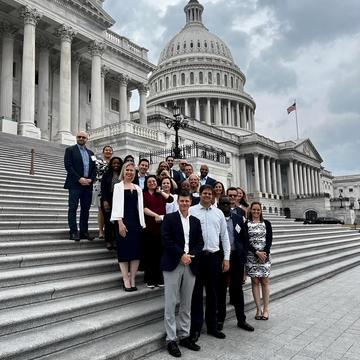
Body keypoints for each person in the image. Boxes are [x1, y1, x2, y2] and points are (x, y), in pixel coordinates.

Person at [161, 190, 204, 357]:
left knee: (186, 304)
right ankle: (171, 339)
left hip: (191, 264)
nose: (185, 203)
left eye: (187, 201)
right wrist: (181, 255)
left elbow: (200, 242)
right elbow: (166, 239)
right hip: (173, 263)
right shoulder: (169, 218)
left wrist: (191, 255)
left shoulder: (195, 221)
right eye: (182, 201)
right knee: (171, 303)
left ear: (191, 202)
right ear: (178, 201)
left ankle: (184, 335)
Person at [190, 185, 230, 341]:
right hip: (197, 258)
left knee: (213, 293)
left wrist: (226, 258)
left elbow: (225, 237)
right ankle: (196, 328)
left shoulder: (219, 213)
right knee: (197, 293)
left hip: (214, 257)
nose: (207, 195)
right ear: (199, 195)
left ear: (213, 196)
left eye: (210, 193)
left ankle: (212, 326)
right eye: (204, 193)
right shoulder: (192, 210)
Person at [217, 196, 254, 332]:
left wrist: (243, 255)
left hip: (236, 258)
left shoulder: (238, 218)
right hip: (221, 259)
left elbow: (245, 238)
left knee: (237, 290)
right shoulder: (216, 218)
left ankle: (241, 320)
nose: (226, 205)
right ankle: (220, 319)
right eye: (223, 203)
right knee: (221, 290)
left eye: (228, 203)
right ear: (219, 204)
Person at [110, 161, 146, 291]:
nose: (129, 172)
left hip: (136, 223)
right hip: (123, 222)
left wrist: (142, 224)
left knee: (136, 252)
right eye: (127, 170)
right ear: (123, 172)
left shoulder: (138, 188)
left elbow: (140, 208)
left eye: (132, 170)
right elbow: (116, 206)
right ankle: (125, 279)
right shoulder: (118, 186)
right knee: (124, 252)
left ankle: (132, 278)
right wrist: (119, 223)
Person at [64, 131, 96, 241]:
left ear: (87, 139)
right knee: (72, 208)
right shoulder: (70, 150)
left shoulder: (91, 153)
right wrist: (79, 178)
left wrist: (91, 179)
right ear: (76, 138)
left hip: (87, 185)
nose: (81, 138)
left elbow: (94, 168)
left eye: (84, 137)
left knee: (85, 209)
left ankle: (84, 232)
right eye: (79, 137)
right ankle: (73, 232)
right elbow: (68, 166)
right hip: (75, 185)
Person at [143, 175, 173, 288]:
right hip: (149, 227)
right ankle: (150, 279)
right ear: (146, 184)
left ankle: (159, 278)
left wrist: (160, 192)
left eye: (154, 181)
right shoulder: (144, 194)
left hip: (161, 228)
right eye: (149, 181)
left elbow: (170, 199)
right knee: (150, 254)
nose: (152, 183)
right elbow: (143, 208)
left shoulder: (160, 194)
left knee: (160, 253)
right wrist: (156, 215)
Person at [245, 201, 273, 321]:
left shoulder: (266, 223)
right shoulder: (246, 224)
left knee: (265, 282)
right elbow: (245, 241)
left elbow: (269, 240)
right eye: (254, 209)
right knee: (255, 282)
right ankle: (258, 309)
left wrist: (264, 253)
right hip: (252, 257)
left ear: (261, 211)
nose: (256, 212)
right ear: (250, 210)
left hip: (264, 256)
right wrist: (256, 252)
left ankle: (266, 309)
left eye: (258, 210)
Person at [101, 156, 123, 250]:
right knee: (108, 221)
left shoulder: (122, 175)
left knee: (117, 221)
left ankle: (115, 240)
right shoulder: (106, 175)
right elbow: (103, 189)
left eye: (118, 163)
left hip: (119, 201)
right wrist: (105, 201)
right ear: (111, 164)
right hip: (108, 200)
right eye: (114, 163)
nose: (116, 165)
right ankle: (108, 241)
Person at [93, 145, 113, 239]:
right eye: (106, 150)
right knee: (101, 209)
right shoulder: (97, 161)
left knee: (109, 209)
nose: (108, 151)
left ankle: (109, 230)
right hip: (99, 185)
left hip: (110, 187)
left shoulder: (114, 162)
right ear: (103, 151)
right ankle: (101, 231)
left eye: (110, 150)